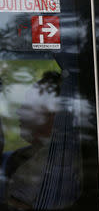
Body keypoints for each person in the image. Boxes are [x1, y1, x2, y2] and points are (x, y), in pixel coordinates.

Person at [4, 71, 61, 209]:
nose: (19, 111)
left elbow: (17, 206)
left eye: (28, 105)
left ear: (53, 113)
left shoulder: (57, 161)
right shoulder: (20, 157)